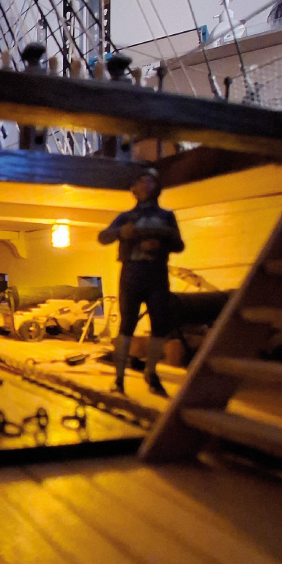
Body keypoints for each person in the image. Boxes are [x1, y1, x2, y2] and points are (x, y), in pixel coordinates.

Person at [97, 168, 184, 397]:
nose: (145, 186)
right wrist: (120, 232)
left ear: (156, 188)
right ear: (134, 189)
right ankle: (119, 378)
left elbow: (179, 244)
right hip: (132, 273)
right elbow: (103, 237)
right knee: (127, 325)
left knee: (160, 325)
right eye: (141, 182)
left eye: (150, 182)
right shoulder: (126, 217)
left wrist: (162, 242)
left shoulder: (166, 216)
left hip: (156, 272)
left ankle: (151, 371)